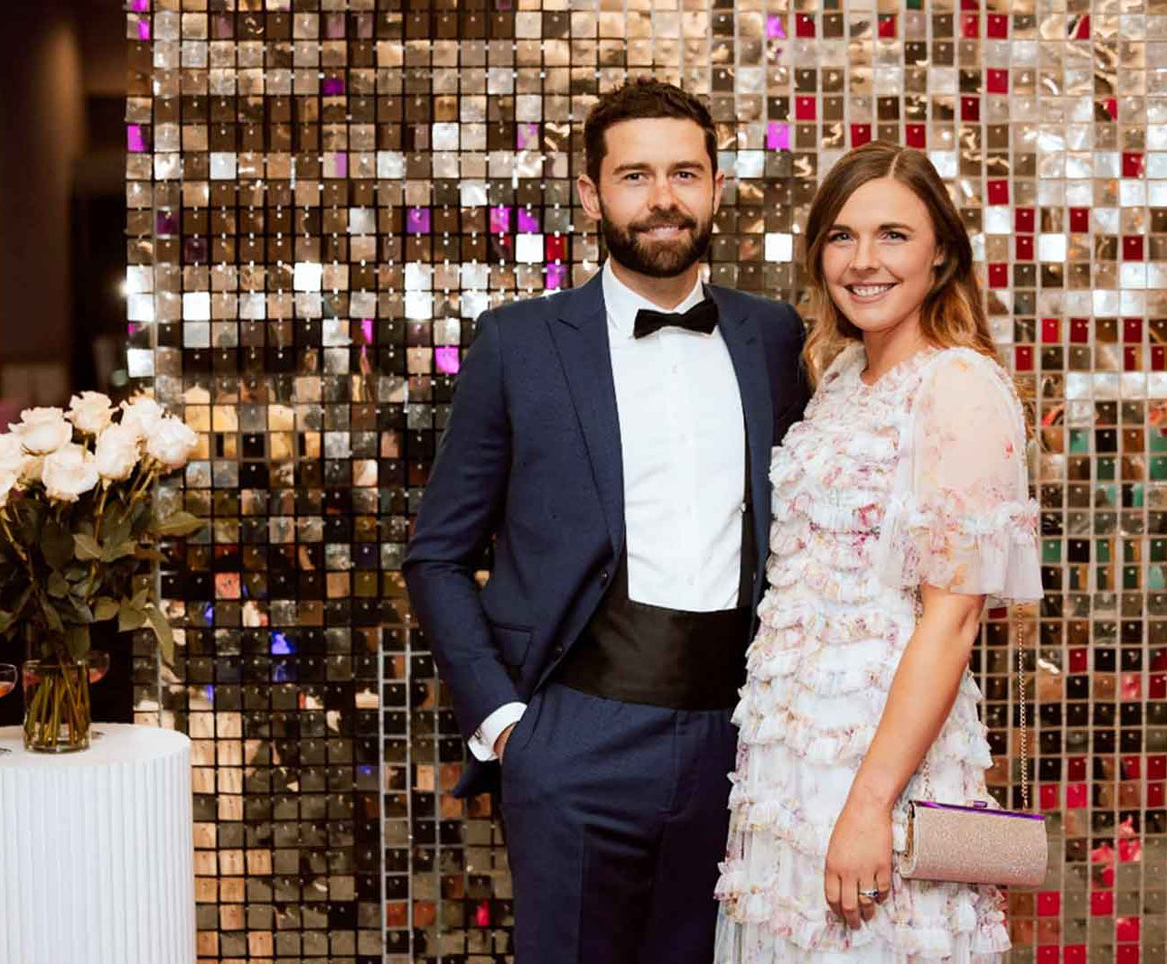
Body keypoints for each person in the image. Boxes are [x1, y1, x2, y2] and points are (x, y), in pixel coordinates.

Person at [402, 79, 809, 964]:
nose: (662, 198)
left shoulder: (775, 337)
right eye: (634, 176)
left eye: (684, 174)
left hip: (739, 743)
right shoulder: (518, 343)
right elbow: (436, 555)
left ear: (716, 186)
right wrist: (506, 723)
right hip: (572, 738)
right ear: (590, 195)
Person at [713, 141, 1045, 962]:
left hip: (883, 764)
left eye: (893, 235)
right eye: (841, 236)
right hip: (791, 759)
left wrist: (869, 804)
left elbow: (953, 619)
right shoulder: (838, 379)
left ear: (941, 256)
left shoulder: (957, 385)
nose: (863, 261)